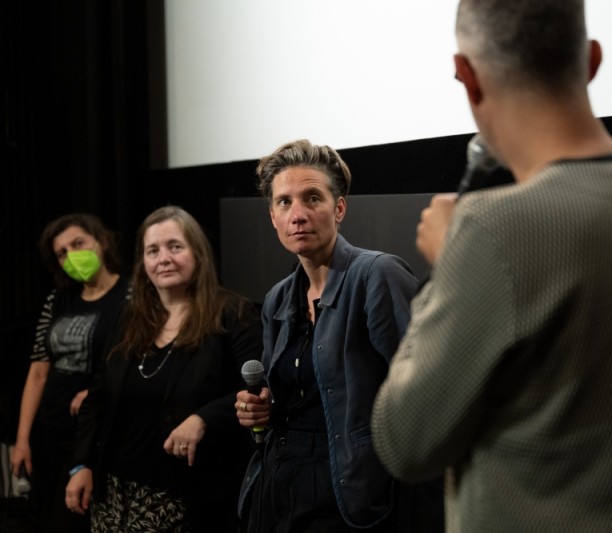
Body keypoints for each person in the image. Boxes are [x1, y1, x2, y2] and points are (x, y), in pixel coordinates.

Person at [371, 1, 612, 532]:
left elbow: (403, 442)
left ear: (466, 76)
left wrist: (448, 268)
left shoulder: (490, 232)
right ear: (591, 60)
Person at [235, 140, 441, 532]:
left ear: (339, 208)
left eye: (312, 198)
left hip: (347, 488)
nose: (298, 215)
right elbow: (293, 397)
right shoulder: (279, 297)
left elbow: (426, 393)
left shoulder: (376, 275)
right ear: (273, 217)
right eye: (284, 202)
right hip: (278, 482)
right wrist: (262, 408)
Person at [65, 206, 262, 532]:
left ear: (197, 254)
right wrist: (81, 463)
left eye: (175, 246)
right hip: (114, 491)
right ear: (143, 263)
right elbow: (98, 394)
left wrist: (203, 418)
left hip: (186, 495)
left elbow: (256, 390)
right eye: (152, 250)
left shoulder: (233, 312)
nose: (164, 258)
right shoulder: (129, 316)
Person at [10, 213, 127, 533]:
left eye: (78, 244)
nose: (71, 256)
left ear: (102, 242)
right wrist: (22, 439)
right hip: (49, 429)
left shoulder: (130, 295)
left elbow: (132, 364)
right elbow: (38, 370)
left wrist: (97, 391)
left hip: (93, 434)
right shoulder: (57, 299)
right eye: (62, 253)